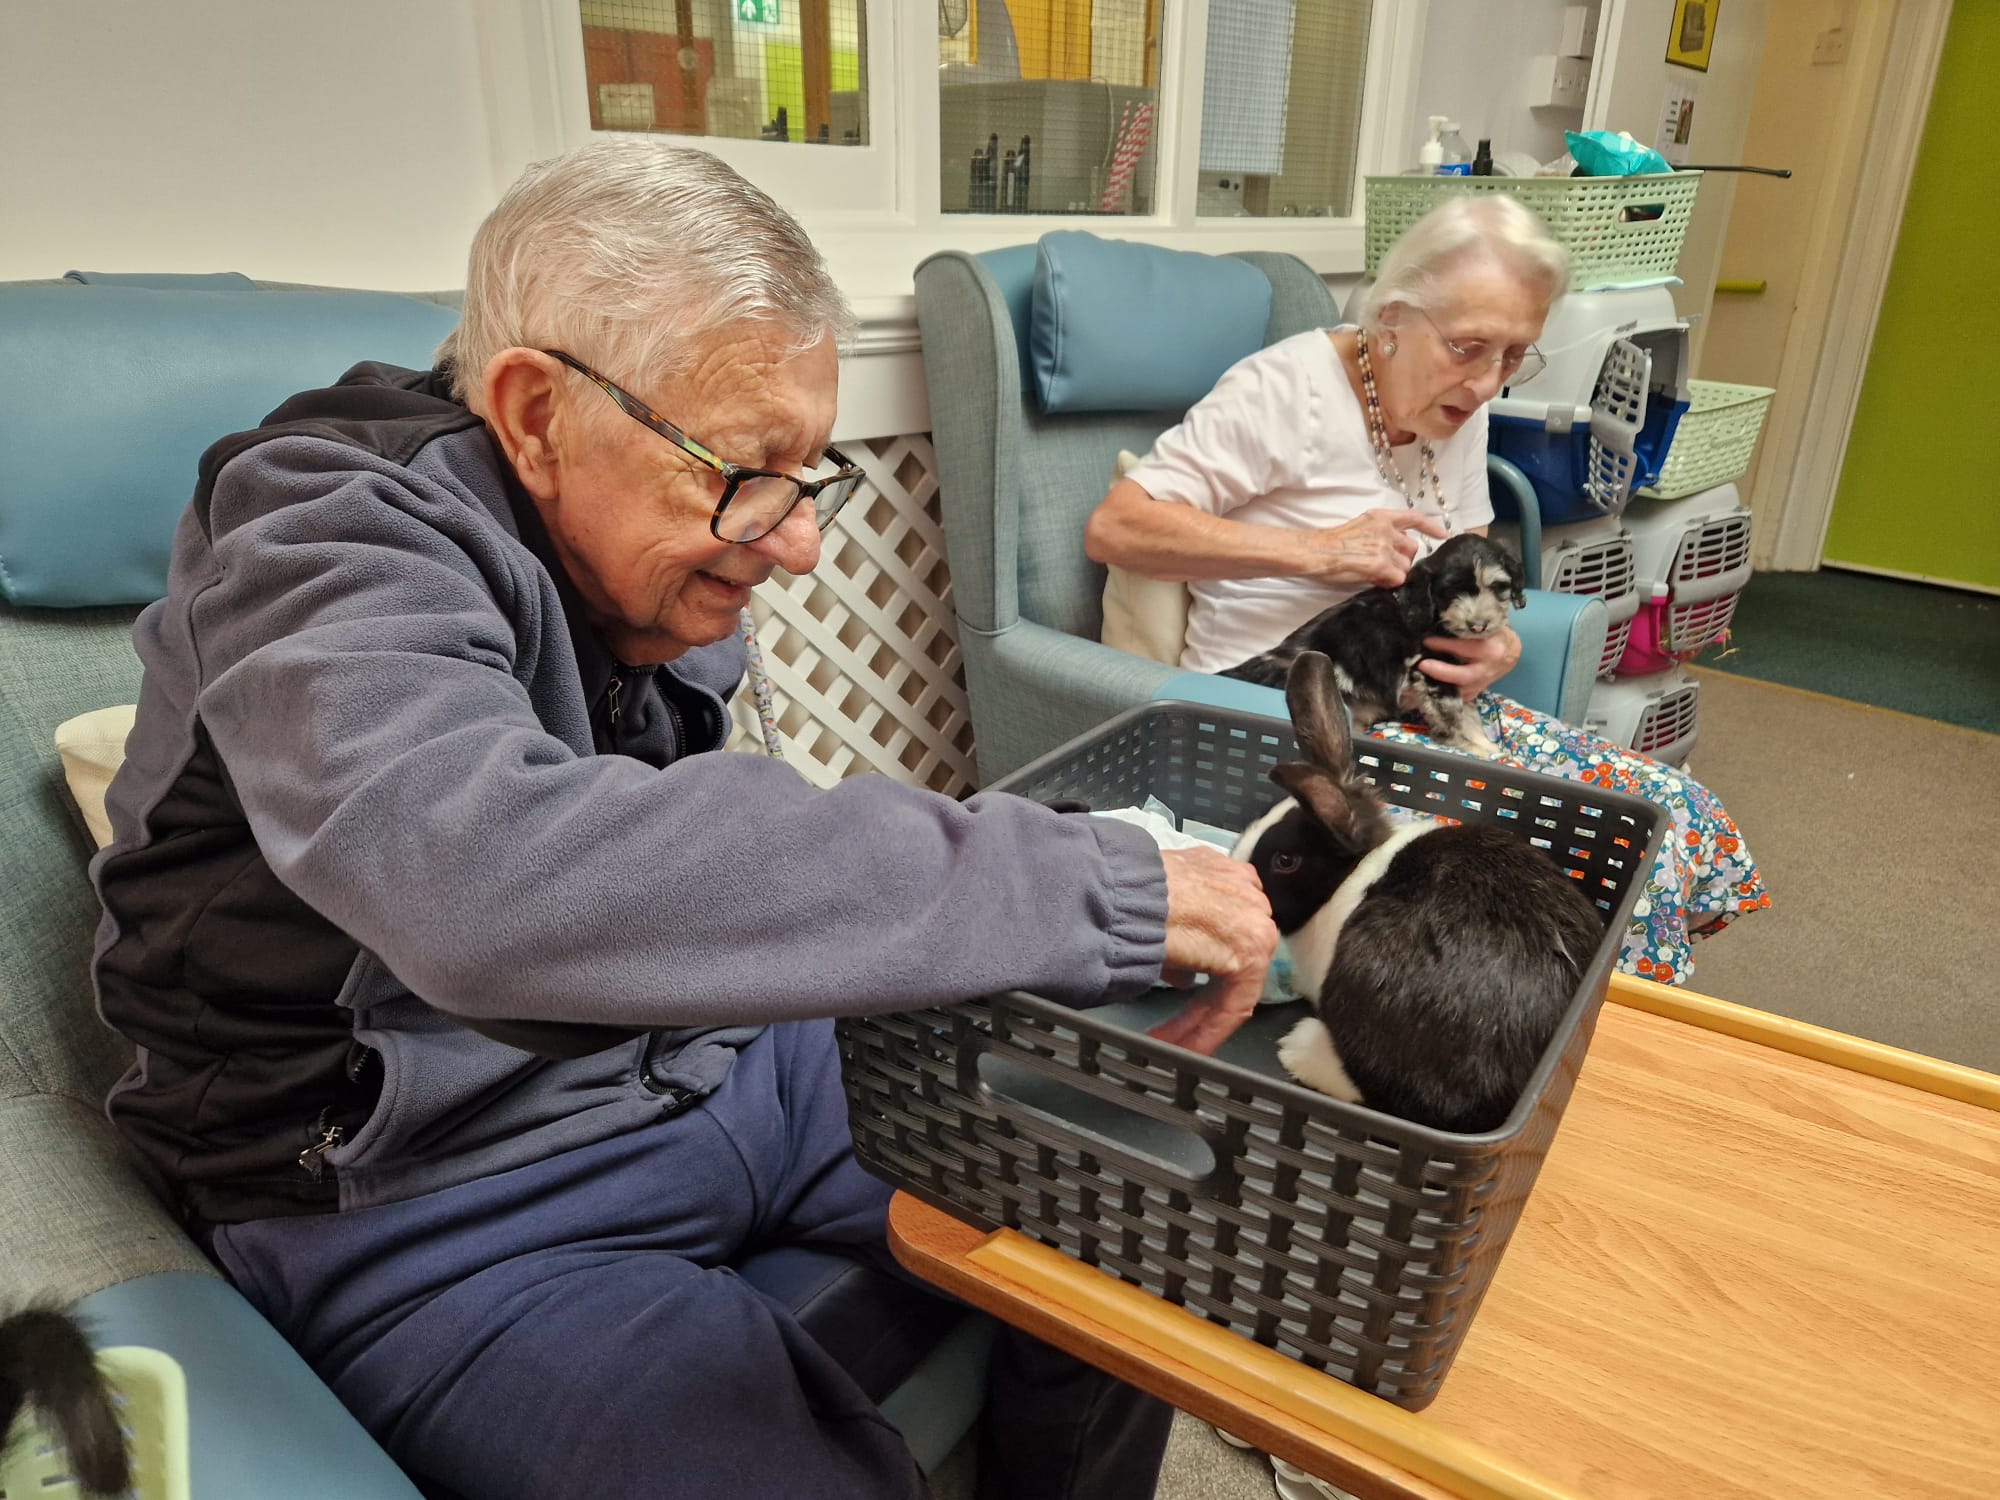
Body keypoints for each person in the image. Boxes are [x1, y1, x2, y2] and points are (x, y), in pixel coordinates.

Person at [89, 138, 1279, 1500]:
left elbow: (714, 848)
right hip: (433, 1196)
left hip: (718, 1063)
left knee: (1126, 1219)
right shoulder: (317, 534)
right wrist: (1094, 884)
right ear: (534, 415)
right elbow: (487, 886)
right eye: (744, 471)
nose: (799, 544)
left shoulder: (638, 560)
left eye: (807, 474)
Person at [1084, 195, 1768, 983]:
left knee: (1675, 814)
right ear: (1392, 320)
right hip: (1288, 715)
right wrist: (1317, 551)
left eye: (1516, 355)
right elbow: (1117, 528)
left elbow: (1461, 558)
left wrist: (1498, 646)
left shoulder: (1454, 407)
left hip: (1416, 702)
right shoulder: (1285, 390)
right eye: (1469, 347)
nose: (1487, 385)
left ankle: (1590, 1033)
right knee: (1599, 843)